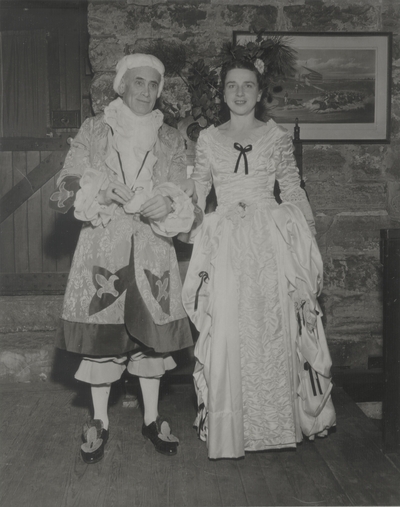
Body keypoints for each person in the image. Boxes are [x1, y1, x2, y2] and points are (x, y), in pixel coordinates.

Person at [181, 59, 336, 460]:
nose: (239, 92)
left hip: (270, 243)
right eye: (232, 85)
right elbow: (198, 190)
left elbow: (293, 188)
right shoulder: (209, 140)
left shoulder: (276, 137)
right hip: (229, 241)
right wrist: (188, 226)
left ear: (259, 91)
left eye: (247, 85)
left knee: (275, 326)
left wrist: (308, 238)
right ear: (222, 92)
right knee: (230, 327)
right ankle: (234, 427)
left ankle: (275, 423)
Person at [49, 53, 195, 463]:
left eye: (153, 85)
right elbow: (66, 179)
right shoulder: (95, 129)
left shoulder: (169, 137)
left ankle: (151, 417)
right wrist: (99, 188)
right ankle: (100, 419)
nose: (146, 92)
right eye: (138, 83)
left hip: (151, 247)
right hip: (104, 244)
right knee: (102, 338)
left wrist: (167, 203)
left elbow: (183, 187)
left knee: (151, 339)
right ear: (122, 85)